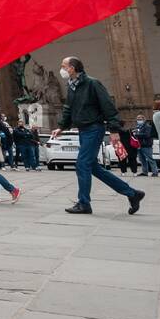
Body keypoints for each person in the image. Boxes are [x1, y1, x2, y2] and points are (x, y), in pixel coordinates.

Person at [51, 56, 145, 215]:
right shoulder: (72, 86)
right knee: (92, 167)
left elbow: (108, 106)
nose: (62, 69)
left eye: (64, 66)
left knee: (82, 164)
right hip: (83, 130)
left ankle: (84, 203)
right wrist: (61, 126)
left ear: (72, 68)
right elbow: (68, 108)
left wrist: (114, 129)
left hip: (94, 129)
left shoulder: (92, 83)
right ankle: (132, 194)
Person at [131, 113, 158, 178]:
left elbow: (147, 135)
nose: (138, 120)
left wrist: (137, 134)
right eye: (137, 119)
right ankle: (144, 172)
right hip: (139, 145)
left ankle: (155, 172)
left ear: (144, 119)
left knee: (150, 159)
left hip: (146, 145)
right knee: (142, 159)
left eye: (140, 119)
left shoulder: (147, 126)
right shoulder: (137, 127)